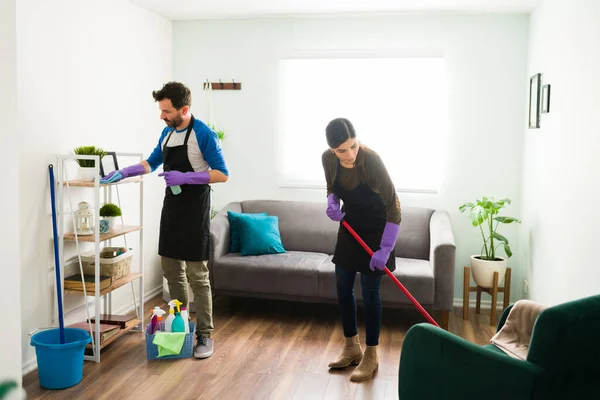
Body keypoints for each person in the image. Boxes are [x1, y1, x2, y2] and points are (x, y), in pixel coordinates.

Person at [101, 81, 229, 359]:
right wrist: (126, 172)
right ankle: (178, 328)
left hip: (195, 209)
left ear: (184, 109)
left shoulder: (203, 135)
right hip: (172, 208)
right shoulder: (167, 133)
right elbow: (151, 162)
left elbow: (222, 173)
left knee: (198, 275)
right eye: (161, 110)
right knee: (171, 271)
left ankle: (205, 335)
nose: (162, 116)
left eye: (167, 111)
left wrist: (187, 177)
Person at [321, 117, 402, 382]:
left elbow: (394, 205)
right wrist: (332, 201)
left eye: (353, 146)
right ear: (332, 150)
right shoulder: (328, 159)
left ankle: (371, 353)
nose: (350, 154)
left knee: (370, 293)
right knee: (343, 288)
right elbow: (332, 186)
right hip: (350, 227)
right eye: (342, 150)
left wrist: (385, 248)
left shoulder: (371, 160)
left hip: (377, 230)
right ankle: (351, 346)